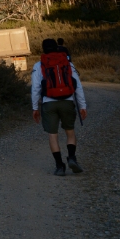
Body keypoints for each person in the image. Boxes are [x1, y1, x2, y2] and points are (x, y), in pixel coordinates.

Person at [32, 38, 88, 175]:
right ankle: (72, 158)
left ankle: (59, 166)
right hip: (67, 101)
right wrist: (82, 106)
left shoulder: (38, 65)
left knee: (53, 135)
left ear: (43, 49)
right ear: (57, 48)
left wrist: (35, 108)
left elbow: (35, 89)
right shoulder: (68, 64)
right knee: (70, 132)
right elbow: (78, 86)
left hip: (48, 103)